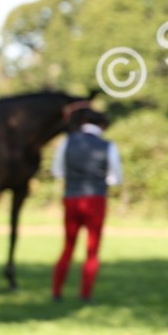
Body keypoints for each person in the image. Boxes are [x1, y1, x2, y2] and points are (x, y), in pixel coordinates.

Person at [50, 106, 122, 301]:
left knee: (68, 246)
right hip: (96, 199)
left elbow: (57, 171)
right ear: (101, 125)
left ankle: (56, 291)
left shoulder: (67, 142)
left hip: (71, 198)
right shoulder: (108, 146)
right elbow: (115, 178)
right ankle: (85, 294)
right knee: (92, 249)